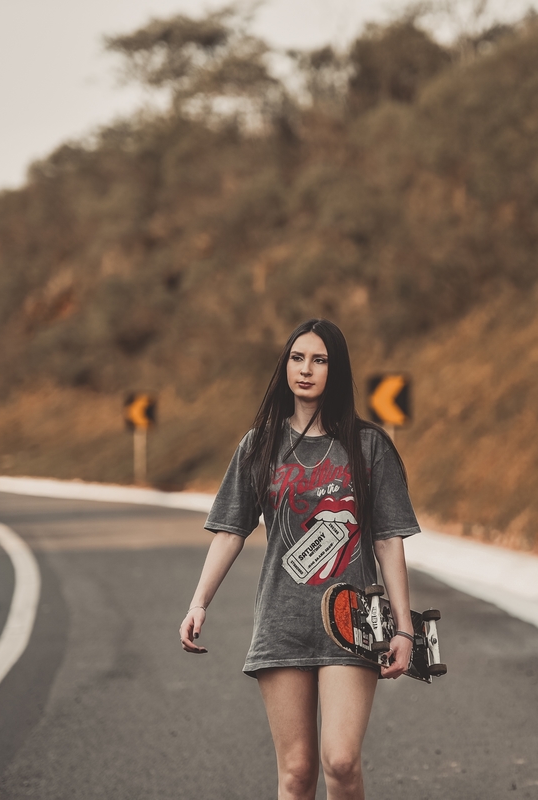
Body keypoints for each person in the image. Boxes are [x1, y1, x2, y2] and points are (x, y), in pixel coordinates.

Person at [179, 318, 420, 800]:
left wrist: (404, 627)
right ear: (285, 365)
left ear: (336, 369)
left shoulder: (368, 446)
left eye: (319, 360)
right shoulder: (259, 445)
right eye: (297, 358)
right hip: (282, 623)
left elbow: (388, 540)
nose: (305, 370)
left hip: (352, 624)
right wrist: (198, 602)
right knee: (295, 772)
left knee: (341, 762)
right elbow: (230, 532)